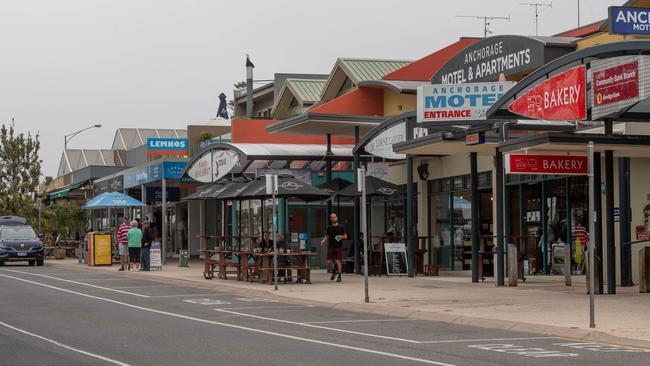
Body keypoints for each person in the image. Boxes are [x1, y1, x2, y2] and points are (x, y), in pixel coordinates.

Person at [320, 213, 347, 282]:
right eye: (331, 217)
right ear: (330, 219)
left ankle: (339, 276)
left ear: (337, 218)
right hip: (331, 246)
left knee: (338, 261)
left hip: (338, 246)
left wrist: (341, 236)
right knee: (329, 261)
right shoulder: (329, 227)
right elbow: (327, 236)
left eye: (334, 217)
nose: (333, 218)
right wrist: (323, 240)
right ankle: (334, 271)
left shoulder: (341, 227)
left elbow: (345, 236)